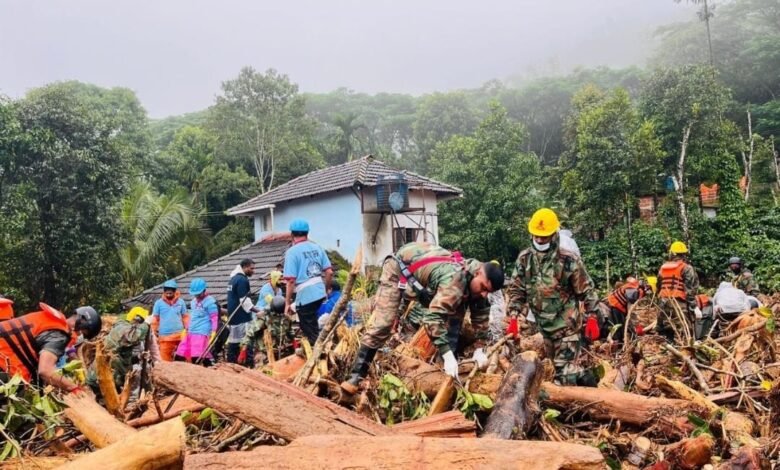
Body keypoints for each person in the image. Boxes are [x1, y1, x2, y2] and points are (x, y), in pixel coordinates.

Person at [340, 242, 504, 395]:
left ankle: (444, 375)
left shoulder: (477, 285)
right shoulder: (455, 281)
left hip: (426, 275)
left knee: (454, 322)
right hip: (399, 268)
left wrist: (479, 349)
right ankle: (355, 376)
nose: (484, 294)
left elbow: (481, 318)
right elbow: (431, 319)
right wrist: (447, 355)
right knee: (384, 323)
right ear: (477, 273)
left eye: (488, 291)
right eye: (483, 288)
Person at [507, 208, 600, 386]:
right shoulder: (525, 259)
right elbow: (517, 289)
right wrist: (513, 315)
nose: (540, 240)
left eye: (545, 236)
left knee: (565, 377)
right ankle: (587, 383)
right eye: (537, 236)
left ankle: (578, 405)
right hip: (544, 329)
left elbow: (587, 290)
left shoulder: (568, 260)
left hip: (567, 327)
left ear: (554, 234)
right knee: (555, 370)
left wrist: (593, 316)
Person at [0, 303, 101, 393]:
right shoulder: (59, 335)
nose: (79, 335)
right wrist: (74, 388)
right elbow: (45, 371)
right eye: (82, 332)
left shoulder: (51, 322)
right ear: (82, 323)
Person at [283, 219, 333, 345]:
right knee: (313, 324)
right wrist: (326, 289)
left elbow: (290, 281)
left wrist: (287, 303)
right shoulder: (317, 247)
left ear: (292, 234)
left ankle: (317, 354)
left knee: (309, 332)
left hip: (305, 296)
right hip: (319, 292)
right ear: (307, 233)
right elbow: (329, 272)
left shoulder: (292, 252)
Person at [86, 307, 150, 395]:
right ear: (137, 320)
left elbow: (122, 357)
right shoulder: (121, 329)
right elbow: (133, 336)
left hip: (111, 378)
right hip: (101, 378)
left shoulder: (124, 329)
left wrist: (138, 357)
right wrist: (146, 324)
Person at [657, 241, 700, 340]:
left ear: (672, 253)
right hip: (679, 302)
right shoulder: (687, 268)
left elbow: (659, 286)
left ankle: (669, 345)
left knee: (668, 327)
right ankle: (687, 347)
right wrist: (694, 307)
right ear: (684, 254)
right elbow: (689, 290)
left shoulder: (663, 268)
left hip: (664, 302)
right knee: (686, 327)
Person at [238, 296, 293, 367]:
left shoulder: (286, 319)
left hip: (281, 351)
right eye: (277, 314)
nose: (279, 316)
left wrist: (294, 345)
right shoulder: (264, 318)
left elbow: (291, 333)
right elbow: (250, 334)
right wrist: (243, 351)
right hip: (264, 352)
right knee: (262, 371)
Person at [176, 278, 218, 366]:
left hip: (202, 332)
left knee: (199, 354)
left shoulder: (210, 303)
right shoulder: (193, 302)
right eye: (195, 294)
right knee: (182, 353)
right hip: (192, 330)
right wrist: (186, 328)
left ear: (204, 290)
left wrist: (214, 331)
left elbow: (214, 318)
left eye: (198, 294)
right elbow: (193, 316)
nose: (197, 296)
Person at [226, 258, 261, 365]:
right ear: (245, 267)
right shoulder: (242, 280)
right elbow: (245, 301)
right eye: (251, 268)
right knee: (247, 340)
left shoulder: (233, 279)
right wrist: (258, 311)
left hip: (233, 316)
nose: (253, 271)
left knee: (234, 340)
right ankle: (249, 363)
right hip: (241, 316)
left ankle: (231, 362)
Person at [604, 277, 654, 341]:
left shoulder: (636, 289)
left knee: (621, 324)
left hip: (617, 305)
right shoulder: (635, 291)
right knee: (619, 325)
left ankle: (620, 339)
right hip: (616, 305)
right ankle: (617, 341)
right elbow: (630, 308)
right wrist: (634, 323)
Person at [151, 280, 188, 362]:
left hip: (180, 335)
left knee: (185, 359)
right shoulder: (158, 303)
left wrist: (188, 328)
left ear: (175, 291)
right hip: (165, 337)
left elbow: (185, 317)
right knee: (165, 361)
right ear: (164, 292)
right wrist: (153, 333)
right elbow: (155, 320)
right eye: (166, 293)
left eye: (170, 293)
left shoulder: (181, 302)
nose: (168, 294)